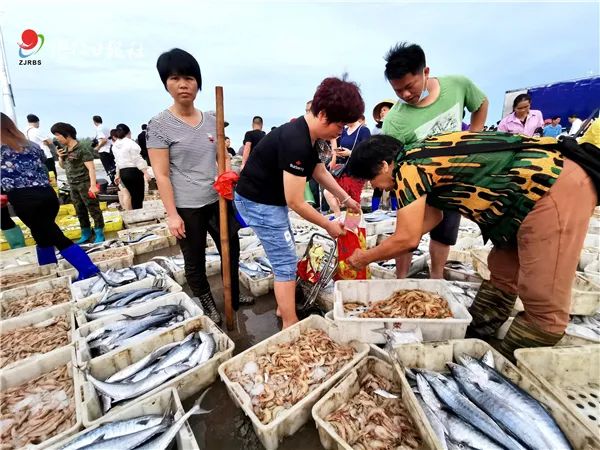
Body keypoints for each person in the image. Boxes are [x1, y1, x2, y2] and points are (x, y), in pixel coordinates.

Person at [346, 131, 598, 360]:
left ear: (384, 165)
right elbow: (433, 218)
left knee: (543, 299)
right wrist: (393, 242)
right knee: (502, 271)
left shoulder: (408, 169)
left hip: (550, 185)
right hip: (518, 201)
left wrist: (365, 257)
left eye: (371, 180)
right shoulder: (416, 156)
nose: (374, 187)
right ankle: (474, 342)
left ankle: (507, 370)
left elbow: (408, 239)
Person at [234, 76, 363, 329]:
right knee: (284, 262)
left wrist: (346, 199)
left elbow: (320, 172)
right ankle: (290, 323)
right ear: (323, 114)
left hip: (270, 199)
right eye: (340, 124)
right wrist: (327, 225)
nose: (341, 131)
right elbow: (295, 201)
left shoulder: (310, 135)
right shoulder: (296, 140)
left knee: (286, 254)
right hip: (258, 202)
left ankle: (285, 310)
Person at [147, 47, 249, 325]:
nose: (183, 84)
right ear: (166, 83)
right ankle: (207, 302)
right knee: (194, 260)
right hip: (186, 205)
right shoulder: (159, 125)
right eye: (175, 78)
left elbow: (222, 158)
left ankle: (235, 296)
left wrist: (227, 174)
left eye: (190, 78)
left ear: (198, 82)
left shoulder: (211, 119)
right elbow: (162, 174)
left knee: (232, 247)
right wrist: (172, 214)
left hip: (217, 199)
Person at [382, 42, 489, 279]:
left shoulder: (457, 85)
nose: (405, 95)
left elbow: (480, 103)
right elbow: (392, 161)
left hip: (453, 181)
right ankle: (400, 279)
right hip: (416, 187)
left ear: (425, 72)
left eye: (409, 86)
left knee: (444, 234)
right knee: (407, 234)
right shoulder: (395, 121)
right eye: (398, 91)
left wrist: (474, 136)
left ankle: (437, 278)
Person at [1, 113, 98, 278]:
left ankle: (89, 270)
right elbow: (44, 166)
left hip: (26, 200)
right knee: (42, 236)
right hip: (47, 196)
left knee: (56, 237)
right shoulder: (32, 145)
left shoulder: (2, 150)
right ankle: (50, 274)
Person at [51, 122, 105, 244]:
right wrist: (60, 157)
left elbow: (91, 168)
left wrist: (92, 186)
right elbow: (63, 166)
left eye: (58, 135)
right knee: (79, 210)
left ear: (67, 134)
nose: (57, 138)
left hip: (85, 183)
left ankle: (99, 233)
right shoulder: (65, 149)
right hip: (73, 184)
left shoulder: (82, 149)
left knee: (93, 209)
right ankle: (86, 232)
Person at [324, 115, 371, 217]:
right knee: (329, 192)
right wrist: (338, 153)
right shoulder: (345, 130)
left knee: (353, 201)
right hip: (343, 169)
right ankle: (340, 218)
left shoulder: (363, 130)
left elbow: (367, 152)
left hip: (356, 171)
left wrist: (350, 153)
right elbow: (337, 141)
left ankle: (356, 227)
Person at [112, 123, 150, 210]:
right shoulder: (131, 143)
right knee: (138, 196)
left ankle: (133, 215)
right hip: (134, 172)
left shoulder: (115, 146)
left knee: (131, 195)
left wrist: (117, 174)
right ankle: (138, 216)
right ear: (128, 132)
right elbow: (137, 159)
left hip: (123, 173)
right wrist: (146, 172)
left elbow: (117, 161)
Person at [371, 100, 397, 211]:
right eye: (381, 110)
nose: (382, 112)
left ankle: (395, 210)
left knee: (394, 185)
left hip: (393, 157)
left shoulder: (397, 125)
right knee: (378, 186)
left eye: (385, 109)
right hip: (379, 159)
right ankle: (374, 210)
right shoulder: (376, 128)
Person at [24, 114, 56, 180]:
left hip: (34, 157)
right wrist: (46, 142)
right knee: (52, 175)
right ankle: (54, 189)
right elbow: (50, 141)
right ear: (37, 122)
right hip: (46, 157)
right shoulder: (36, 131)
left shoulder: (25, 132)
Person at [92, 115, 116, 183]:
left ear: (94, 121)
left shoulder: (99, 128)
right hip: (111, 148)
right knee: (114, 167)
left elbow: (104, 140)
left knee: (109, 169)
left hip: (104, 150)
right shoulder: (107, 127)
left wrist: (97, 147)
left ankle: (114, 183)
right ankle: (118, 183)